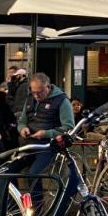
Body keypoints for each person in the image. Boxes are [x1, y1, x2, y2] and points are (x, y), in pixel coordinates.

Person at [15, 72, 76, 202]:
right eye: (33, 92)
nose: (36, 96)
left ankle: (36, 210)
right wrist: (22, 128)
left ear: (48, 87)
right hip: (28, 144)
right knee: (7, 172)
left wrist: (47, 133)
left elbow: (69, 127)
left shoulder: (61, 101)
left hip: (48, 146)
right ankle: (12, 208)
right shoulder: (30, 99)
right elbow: (22, 122)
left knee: (33, 174)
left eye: (40, 92)